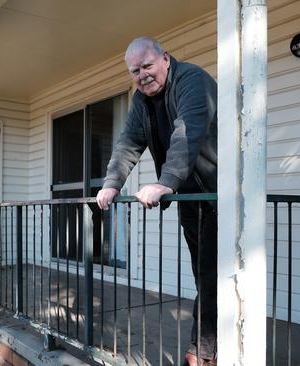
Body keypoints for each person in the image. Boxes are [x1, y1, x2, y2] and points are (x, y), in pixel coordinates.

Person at [95, 36, 218, 365]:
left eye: (147, 66)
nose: (142, 75)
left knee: (210, 274)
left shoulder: (191, 80)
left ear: (165, 58)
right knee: (204, 273)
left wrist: (166, 182)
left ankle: (202, 354)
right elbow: (128, 143)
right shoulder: (140, 100)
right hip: (192, 197)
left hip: (219, 195)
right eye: (134, 70)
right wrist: (111, 184)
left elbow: (186, 132)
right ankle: (208, 349)